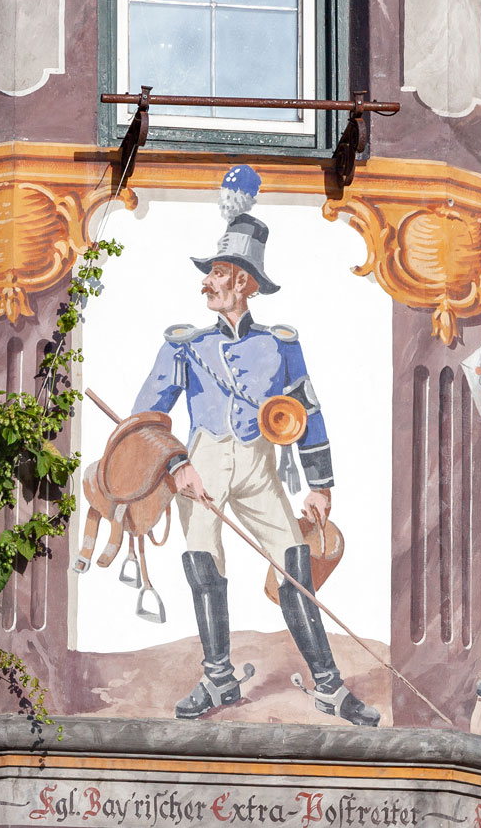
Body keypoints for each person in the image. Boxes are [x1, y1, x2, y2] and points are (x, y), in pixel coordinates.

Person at [131, 170, 378, 726]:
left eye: (217, 273)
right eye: (210, 274)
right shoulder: (186, 347)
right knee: (203, 562)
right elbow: (146, 416)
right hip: (201, 466)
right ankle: (218, 678)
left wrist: (320, 485)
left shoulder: (280, 345)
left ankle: (329, 686)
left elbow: (308, 412)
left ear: (243, 282)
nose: (207, 283)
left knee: (294, 563)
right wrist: (177, 463)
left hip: (261, 469)